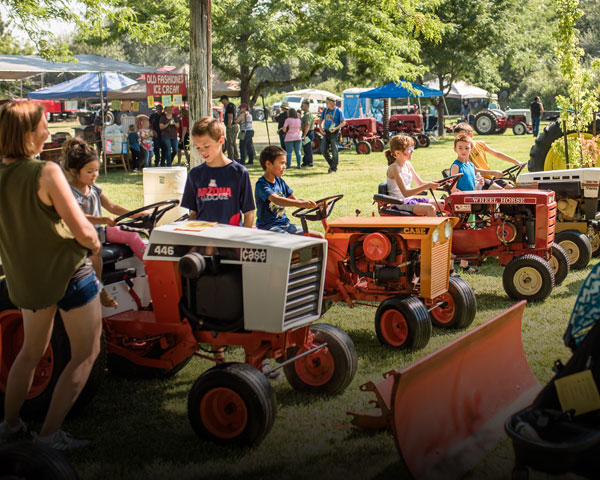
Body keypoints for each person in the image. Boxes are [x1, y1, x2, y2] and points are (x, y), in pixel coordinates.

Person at [0, 101, 102, 450]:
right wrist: (95, 245)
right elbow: (83, 231)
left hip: (27, 280)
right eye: (44, 124)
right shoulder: (46, 172)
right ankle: (49, 437)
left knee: (30, 352)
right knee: (87, 352)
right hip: (69, 273)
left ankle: (10, 426)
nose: (49, 130)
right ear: (28, 134)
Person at [63, 138, 147, 306]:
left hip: (100, 231)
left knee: (132, 235)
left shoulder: (94, 188)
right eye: (89, 171)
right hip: (82, 236)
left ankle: (151, 264)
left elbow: (112, 206)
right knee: (96, 252)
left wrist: (136, 215)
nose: (95, 175)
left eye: (96, 170)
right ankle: (99, 290)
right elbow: (77, 217)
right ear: (74, 171)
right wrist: (103, 219)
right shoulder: (69, 192)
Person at [181, 116, 255, 227]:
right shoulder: (194, 174)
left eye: (206, 146)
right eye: (198, 147)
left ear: (221, 140)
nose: (202, 152)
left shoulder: (239, 173)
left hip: (229, 239)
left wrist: (242, 243)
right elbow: (194, 213)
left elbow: (249, 213)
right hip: (204, 239)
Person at [255, 145, 321, 237]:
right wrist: (300, 204)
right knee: (292, 241)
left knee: (319, 236)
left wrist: (316, 205)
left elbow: (295, 200)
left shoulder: (280, 181)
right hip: (269, 227)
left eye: (285, 163)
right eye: (281, 163)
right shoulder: (262, 184)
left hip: (285, 225)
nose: (284, 167)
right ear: (268, 164)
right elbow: (276, 199)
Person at [385, 135, 440, 216]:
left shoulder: (408, 164)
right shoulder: (394, 168)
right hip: (400, 204)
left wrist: (440, 183)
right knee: (430, 208)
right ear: (398, 152)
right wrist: (428, 186)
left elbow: (420, 183)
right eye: (409, 149)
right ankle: (431, 228)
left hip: (410, 200)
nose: (412, 151)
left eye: (412, 148)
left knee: (445, 203)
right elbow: (405, 193)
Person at [453, 122, 518, 189]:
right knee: (501, 191)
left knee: (512, 188)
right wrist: (493, 172)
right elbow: (473, 170)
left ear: (471, 135)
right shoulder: (465, 152)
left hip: (491, 178)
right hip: (480, 179)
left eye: (463, 137)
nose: (460, 140)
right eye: (457, 137)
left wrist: (515, 161)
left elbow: (496, 153)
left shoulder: (481, 144)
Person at [319, 97, 345, 173]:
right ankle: (332, 165)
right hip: (326, 132)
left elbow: (343, 122)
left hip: (334, 132)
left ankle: (333, 168)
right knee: (323, 149)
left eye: (327, 102)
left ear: (331, 102)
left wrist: (336, 128)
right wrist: (320, 127)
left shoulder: (338, 111)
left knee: (335, 150)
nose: (326, 104)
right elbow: (321, 119)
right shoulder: (325, 110)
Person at [220, 95, 240, 162]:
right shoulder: (232, 105)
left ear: (225, 99)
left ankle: (231, 157)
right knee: (233, 142)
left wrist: (229, 125)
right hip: (234, 126)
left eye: (222, 101)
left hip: (231, 126)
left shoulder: (229, 106)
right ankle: (236, 156)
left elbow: (230, 116)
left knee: (230, 142)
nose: (222, 102)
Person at [300, 99, 314, 167]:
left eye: (302, 105)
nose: (301, 107)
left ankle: (309, 162)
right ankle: (305, 161)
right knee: (305, 148)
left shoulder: (308, 114)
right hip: (306, 132)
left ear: (306, 106)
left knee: (308, 148)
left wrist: (304, 135)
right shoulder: (305, 114)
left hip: (308, 132)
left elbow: (307, 125)